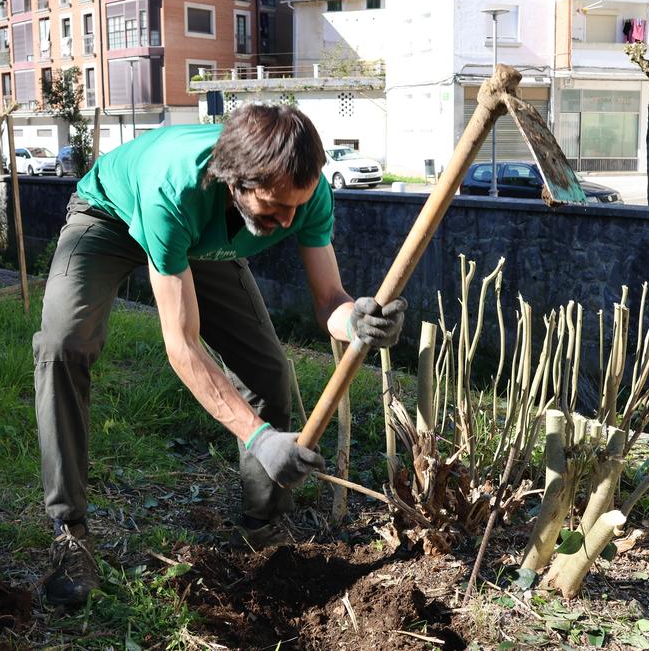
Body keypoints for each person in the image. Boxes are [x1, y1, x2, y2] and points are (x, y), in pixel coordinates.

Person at [32, 104, 407, 609]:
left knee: (267, 369)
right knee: (63, 346)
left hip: (199, 238)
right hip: (111, 215)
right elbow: (182, 345)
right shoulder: (175, 191)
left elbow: (328, 300)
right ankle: (69, 531)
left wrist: (359, 320)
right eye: (274, 208)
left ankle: (263, 523)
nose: (287, 222)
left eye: (296, 207)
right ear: (234, 183)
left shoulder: (303, 189)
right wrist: (258, 435)